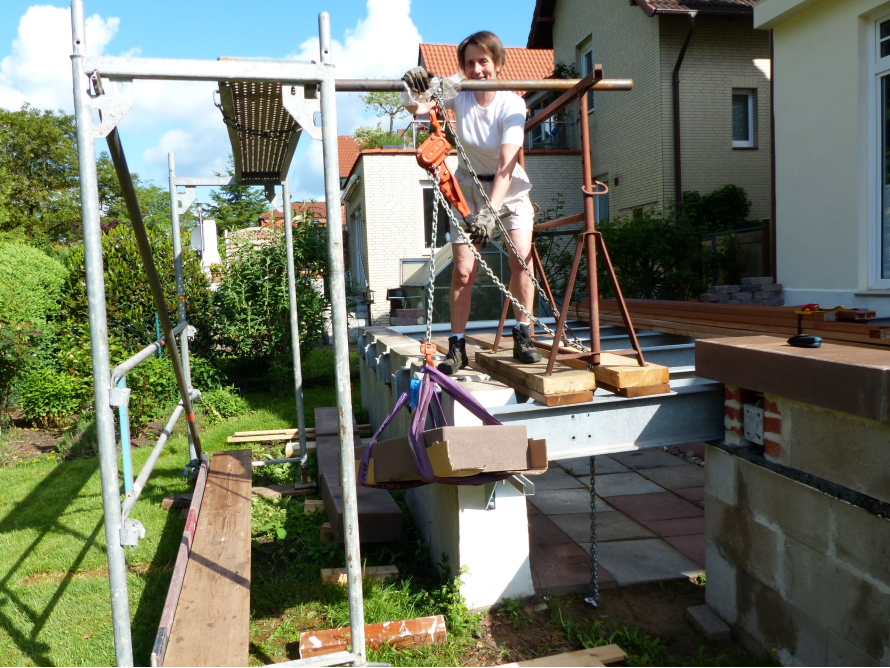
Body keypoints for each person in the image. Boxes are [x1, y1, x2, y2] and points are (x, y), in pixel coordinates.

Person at [402, 30, 542, 376]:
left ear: (497, 64)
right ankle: (458, 346)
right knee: (464, 272)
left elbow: (506, 166)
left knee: (521, 261)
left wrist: (492, 214)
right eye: (470, 62)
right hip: (467, 190)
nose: (477, 68)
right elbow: (419, 105)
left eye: (484, 61)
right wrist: (411, 87)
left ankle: (523, 335)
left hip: (509, 190)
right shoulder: (458, 90)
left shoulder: (512, 104)